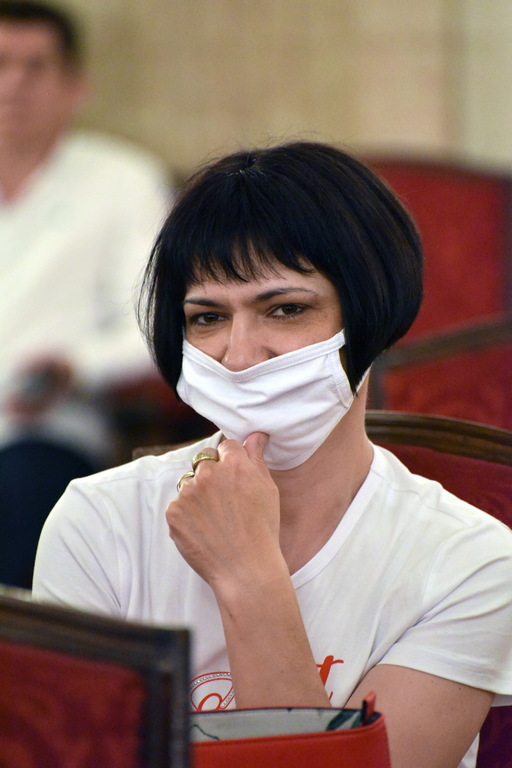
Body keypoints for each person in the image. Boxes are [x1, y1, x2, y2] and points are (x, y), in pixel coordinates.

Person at [32, 141, 512, 768]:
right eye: (207, 318)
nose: (238, 355)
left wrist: (249, 577)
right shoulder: (100, 522)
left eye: (286, 310)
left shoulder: (470, 564)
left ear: (371, 317)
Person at [0, 0, 171, 588]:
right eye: (1, 64)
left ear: (75, 87)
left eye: (35, 66)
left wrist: (76, 365)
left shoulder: (122, 182)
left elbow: (156, 324)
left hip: (47, 430)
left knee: (22, 490)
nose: (13, 84)